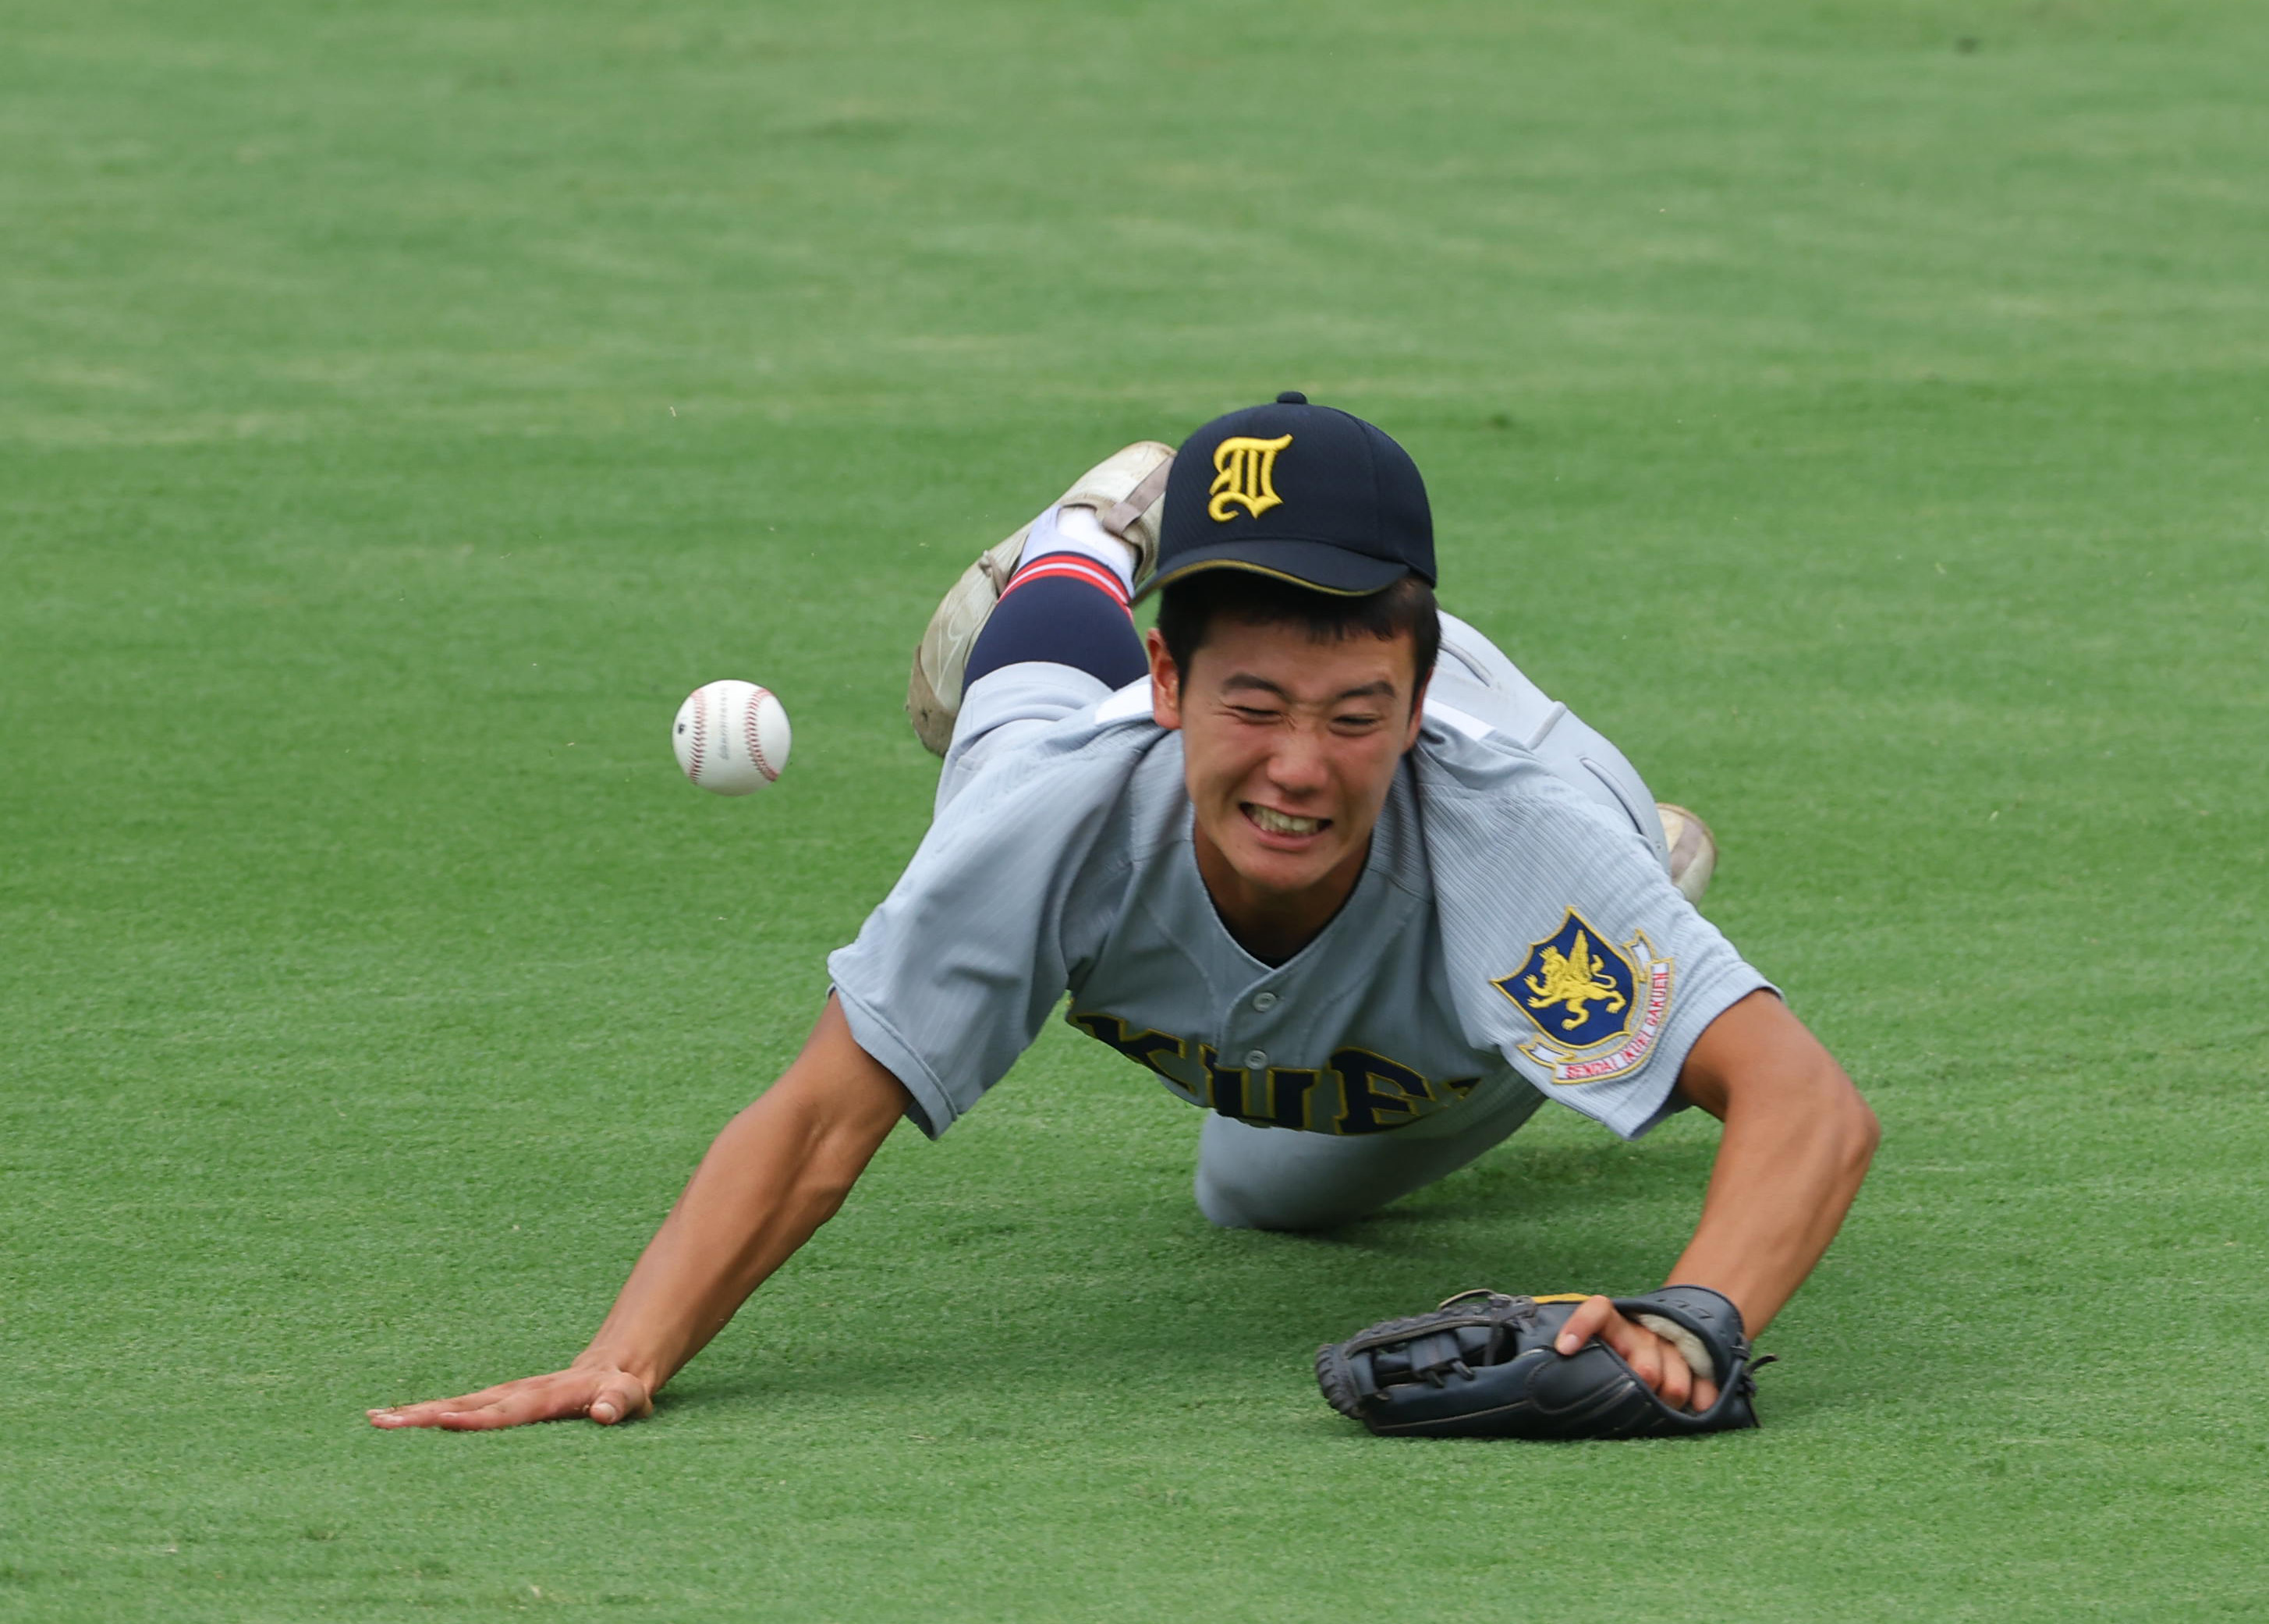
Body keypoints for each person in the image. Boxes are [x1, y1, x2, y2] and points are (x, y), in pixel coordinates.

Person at [370, 394, 1877, 1432]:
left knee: (1308, 1157)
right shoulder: (1059, 808)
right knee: (1003, 721)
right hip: (1105, 763)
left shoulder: (1502, 833)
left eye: (1356, 711)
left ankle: (1641, 906)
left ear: (1416, 699)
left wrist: (1692, 1326)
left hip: (1504, 902)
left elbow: (1808, 1106)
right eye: (1252, 705)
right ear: (1161, 686)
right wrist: (620, 1357)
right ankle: (1098, 528)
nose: (1296, 767)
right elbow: (824, 1121)